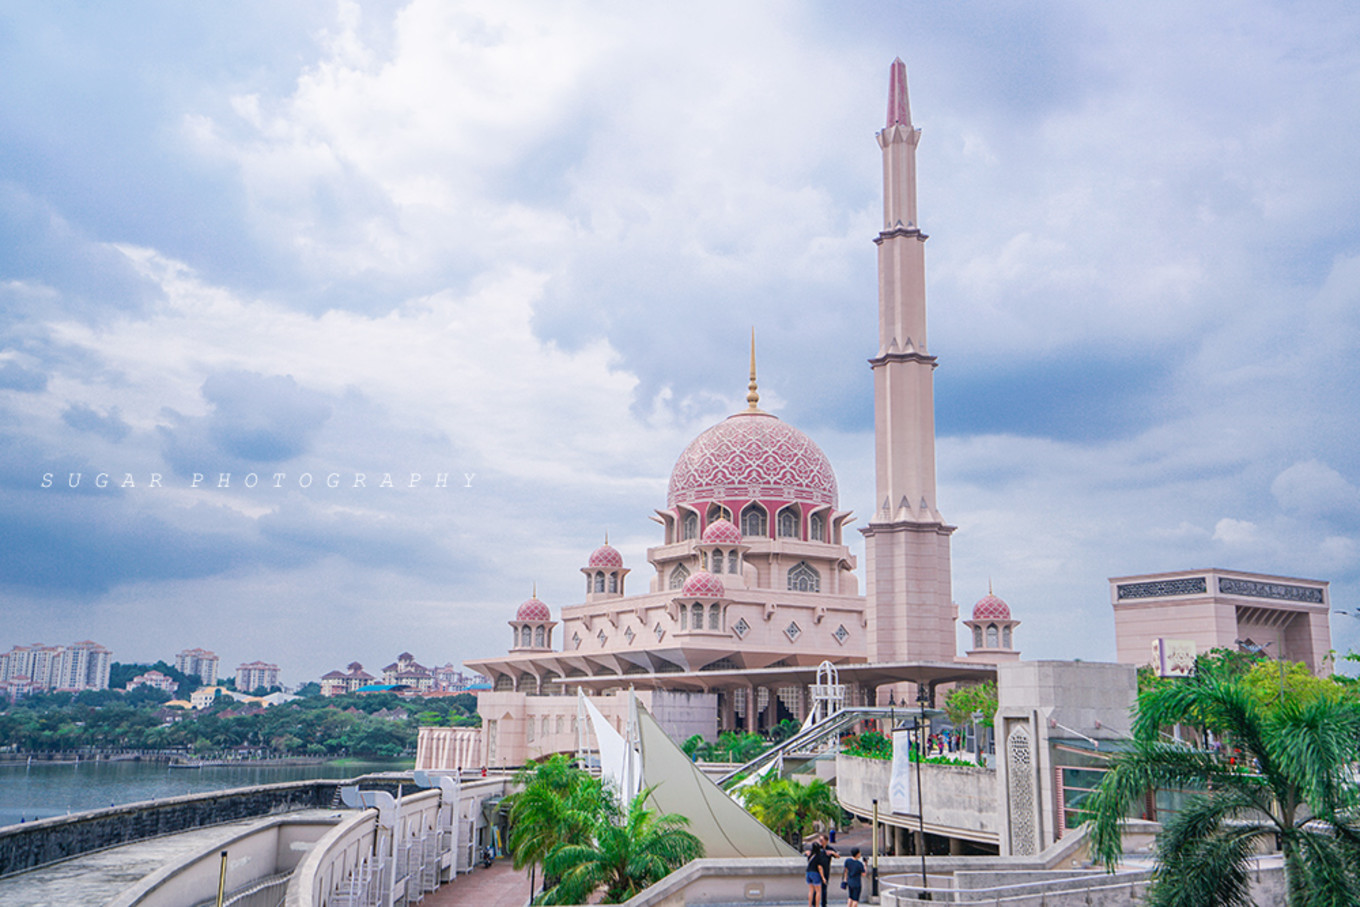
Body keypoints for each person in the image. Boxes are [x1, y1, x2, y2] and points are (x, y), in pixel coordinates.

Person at [815, 833, 837, 907]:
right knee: (816, 888)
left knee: (824, 888)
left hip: (826, 870)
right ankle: (815, 903)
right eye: (820, 840)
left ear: (826, 840)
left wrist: (832, 853)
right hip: (817, 870)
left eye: (822, 840)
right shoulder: (818, 848)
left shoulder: (829, 848)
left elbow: (837, 856)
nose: (820, 841)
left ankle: (824, 903)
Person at [805, 838, 825, 907]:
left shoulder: (810, 855)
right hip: (815, 873)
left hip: (808, 872)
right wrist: (823, 877)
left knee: (811, 890)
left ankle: (809, 905)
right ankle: (817, 905)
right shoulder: (819, 856)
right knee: (818, 891)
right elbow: (820, 867)